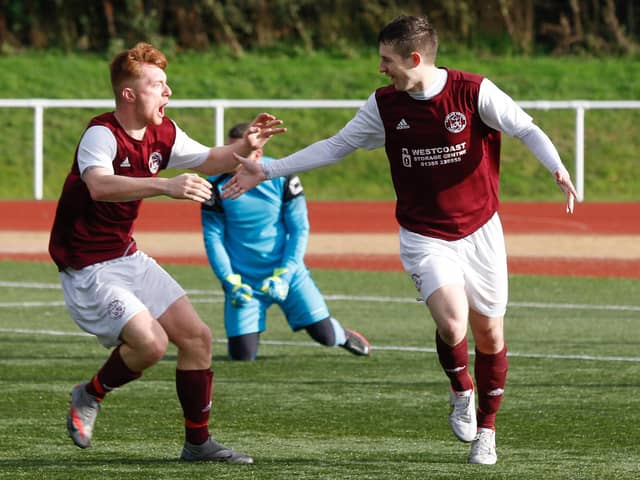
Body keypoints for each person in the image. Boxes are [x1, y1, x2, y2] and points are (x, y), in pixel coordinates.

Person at [222, 15, 578, 465]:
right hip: (424, 233)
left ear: (415, 58)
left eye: (387, 60)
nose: (381, 69)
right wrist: (268, 168)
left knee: (489, 333)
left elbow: (525, 127)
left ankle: (486, 431)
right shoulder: (384, 105)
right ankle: (461, 390)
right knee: (453, 323)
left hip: (481, 231)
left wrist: (557, 167)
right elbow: (336, 145)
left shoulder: (473, 91)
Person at [48, 42, 285, 465]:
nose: (167, 91)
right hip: (88, 268)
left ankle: (198, 443)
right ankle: (90, 393)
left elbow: (213, 159)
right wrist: (165, 185)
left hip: (126, 256)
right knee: (152, 344)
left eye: (165, 83)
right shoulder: (101, 134)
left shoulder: (164, 132)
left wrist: (245, 146)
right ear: (129, 94)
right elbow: (100, 185)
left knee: (197, 339)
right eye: (157, 84)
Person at [201, 122, 371, 361]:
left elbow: (299, 229)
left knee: (324, 336)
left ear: (258, 154)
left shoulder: (281, 175)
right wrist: (229, 280)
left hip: (287, 274)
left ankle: (342, 335)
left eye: (240, 153)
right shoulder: (215, 186)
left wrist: (285, 274)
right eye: (230, 152)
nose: (232, 159)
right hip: (244, 281)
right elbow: (213, 238)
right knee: (242, 355)